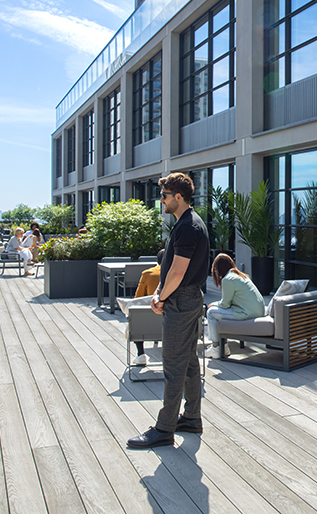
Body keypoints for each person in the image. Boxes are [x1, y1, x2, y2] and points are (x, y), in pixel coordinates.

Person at [127, 172, 209, 449]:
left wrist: (161, 296)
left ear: (178, 197)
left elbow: (176, 272)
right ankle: (192, 418)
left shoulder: (188, 226)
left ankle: (164, 429)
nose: (160, 201)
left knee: (173, 364)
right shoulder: (187, 223)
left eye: (163, 196)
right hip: (186, 298)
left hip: (181, 300)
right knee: (187, 361)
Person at [203, 253, 264, 359]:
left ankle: (216, 347)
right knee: (217, 312)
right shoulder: (240, 275)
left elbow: (225, 304)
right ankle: (223, 345)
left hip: (246, 313)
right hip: (257, 311)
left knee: (211, 313)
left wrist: (214, 304)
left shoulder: (227, 279)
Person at [130, 249, 165, 367]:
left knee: (135, 316)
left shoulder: (148, 273)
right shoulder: (181, 275)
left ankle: (140, 354)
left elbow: (137, 299)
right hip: (172, 320)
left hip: (148, 322)